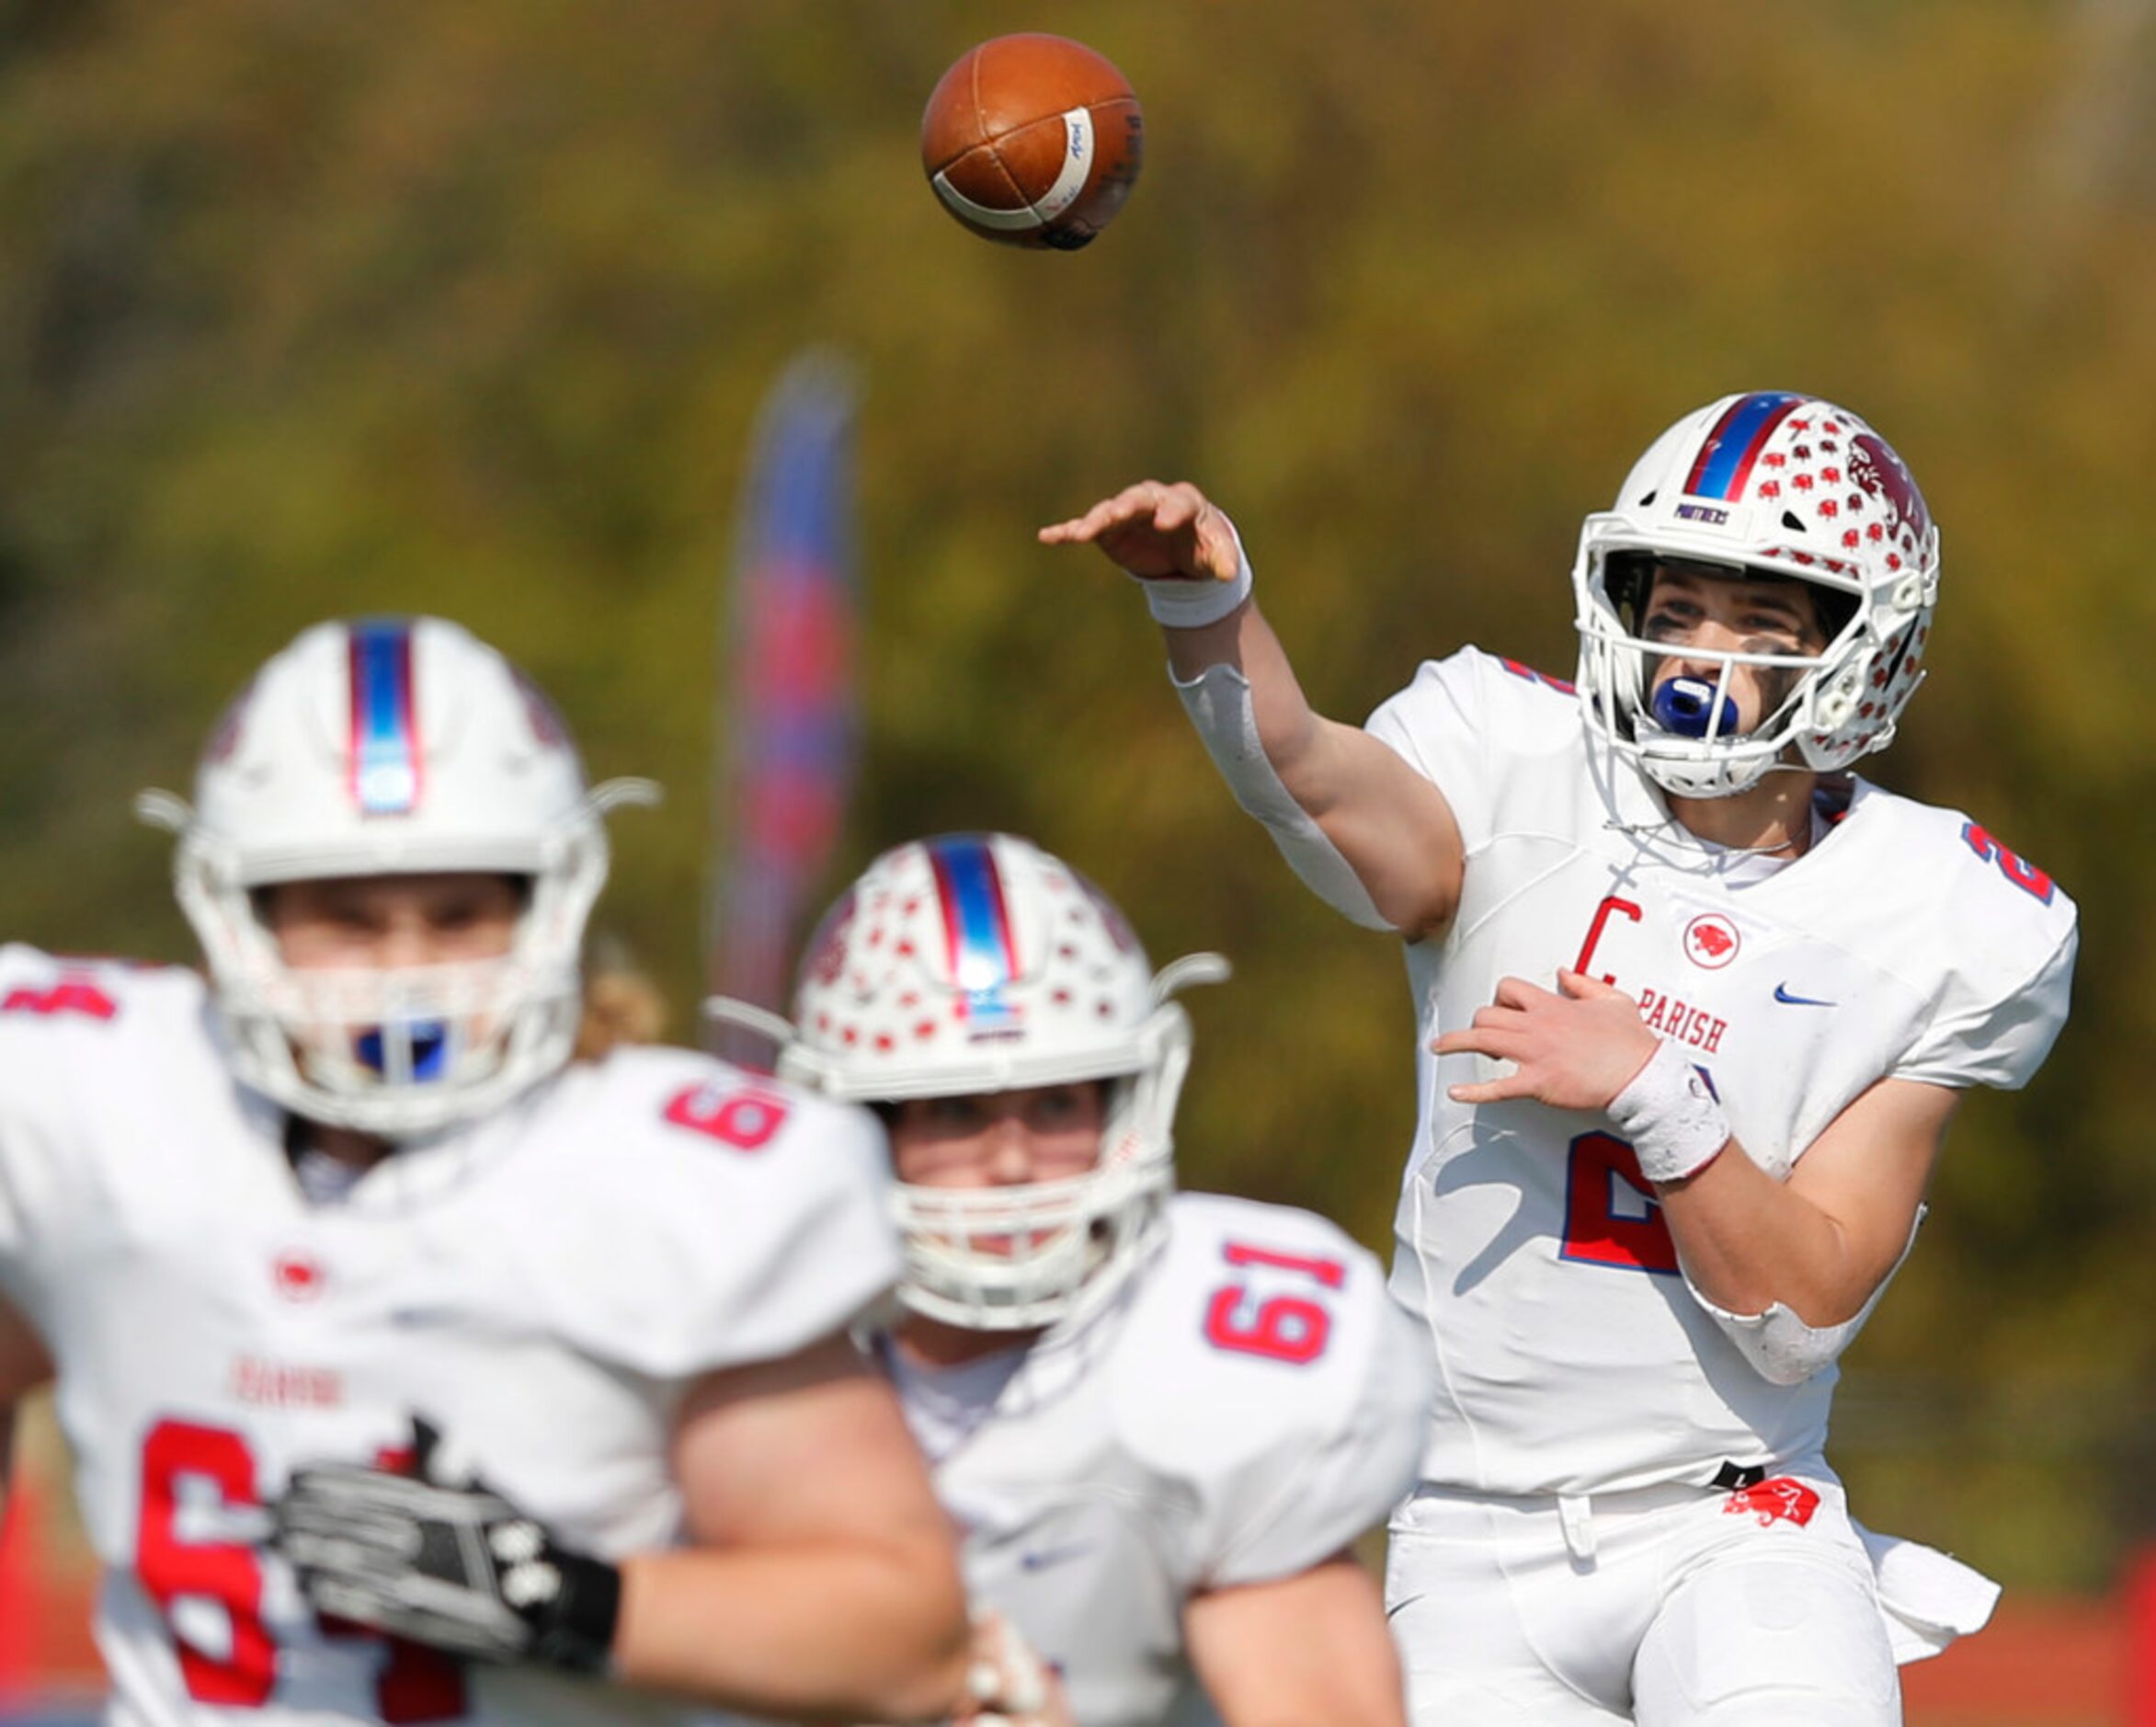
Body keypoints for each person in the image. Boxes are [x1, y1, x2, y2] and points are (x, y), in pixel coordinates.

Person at [1039, 392, 2079, 1724]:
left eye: (1760, 622)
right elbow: (1310, 770)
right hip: (1466, 1535)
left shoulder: (1941, 912)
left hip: (1733, 1519)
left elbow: (1800, 1311)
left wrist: (1656, 1094)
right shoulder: (1514, 761)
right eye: (1678, 603)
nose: (1700, 651)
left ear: (1858, 647)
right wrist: (1208, 612)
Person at [0, 616, 973, 1726]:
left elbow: (904, 1640)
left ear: (546, 905)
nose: (405, 974)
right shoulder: (118, 1113)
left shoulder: (661, 1186)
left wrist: (564, 1603)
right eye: (349, 921)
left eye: (457, 915)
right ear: (241, 917)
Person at [711, 830, 1435, 1727]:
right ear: (852, 1126)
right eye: (954, 1110)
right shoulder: (718, 1344)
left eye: (1055, 1103)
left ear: (1126, 1099)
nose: (1013, 1162)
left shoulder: (1216, 1354)